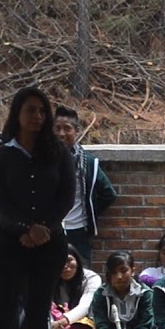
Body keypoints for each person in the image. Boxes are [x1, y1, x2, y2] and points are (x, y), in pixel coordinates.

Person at [0, 87, 76, 329]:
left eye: (42, 111)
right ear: (17, 114)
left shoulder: (59, 153)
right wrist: (26, 228)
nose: (37, 116)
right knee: (3, 308)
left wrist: (43, 229)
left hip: (49, 243)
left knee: (39, 308)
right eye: (30, 110)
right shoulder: (1, 154)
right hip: (11, 242)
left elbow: (66, 197)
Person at [53, 105, 117, 264]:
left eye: (67, 128)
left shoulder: (87, 163)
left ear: (76, 131)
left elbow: (108, 194)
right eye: (57, 128)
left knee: (82, 274)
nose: (61, 133)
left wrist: (88, 212)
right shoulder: (41, 161)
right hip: (49, 229)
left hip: (78, 232)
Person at [91, 251, 158, 329]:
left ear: (133, 271)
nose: (119, 277)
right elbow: (100, 321)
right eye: (114, 272)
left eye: (124, 271)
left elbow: (147, 322)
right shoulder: (101, 294)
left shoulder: (145, 294)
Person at [49, 244, 103, 329]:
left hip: (78, 325)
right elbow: (45, 305)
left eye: (69, 260)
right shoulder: (49, 279)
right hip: (54, 327)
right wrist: (51, 328)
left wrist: (63, 322)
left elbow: (85, 305)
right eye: (60, 262)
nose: (65, 266)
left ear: (77, 260)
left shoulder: (91, 278)